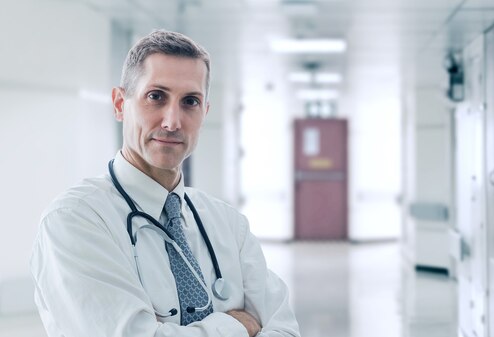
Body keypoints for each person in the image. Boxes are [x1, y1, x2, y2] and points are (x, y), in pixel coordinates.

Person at [30, 30, 300, 337]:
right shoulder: (75, 220)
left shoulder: (228, 224)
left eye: (190, 102)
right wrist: (237, 325)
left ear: (204, 113)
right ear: (120, 104)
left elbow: (286, 330)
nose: (172, 122)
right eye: (156, 97)